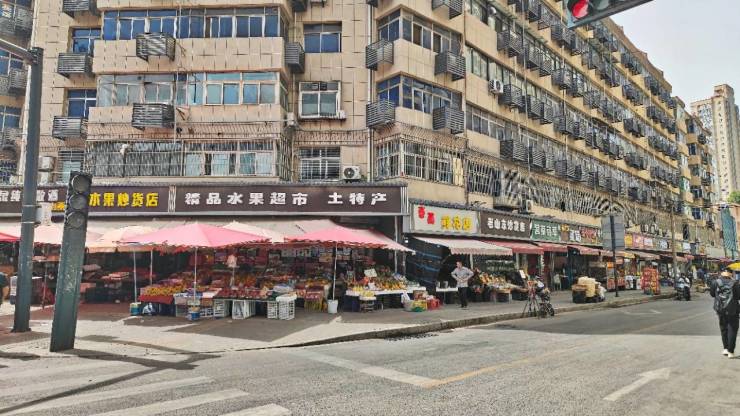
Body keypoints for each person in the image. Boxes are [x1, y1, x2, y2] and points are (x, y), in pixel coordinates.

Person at [710, 270, 740, 358]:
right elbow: (738, 296)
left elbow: (712, 294)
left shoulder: (715, 282)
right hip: (733, 310)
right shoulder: (735, 283)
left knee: (723, 328)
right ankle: (731, 351)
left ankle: (725, 348)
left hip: (720, 309)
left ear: (721, 274)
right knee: (732, 330)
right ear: (730, 275)